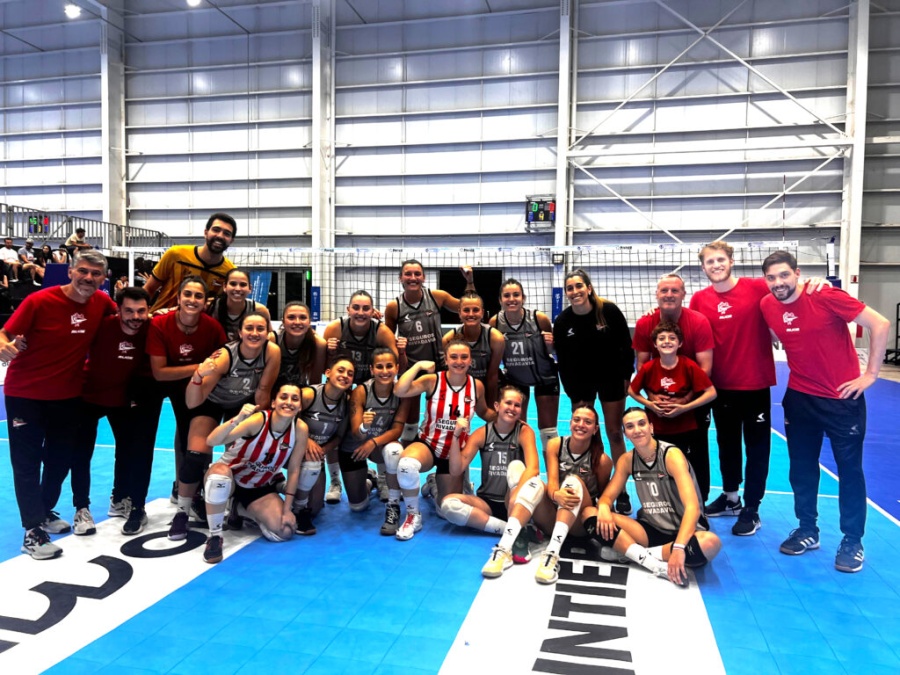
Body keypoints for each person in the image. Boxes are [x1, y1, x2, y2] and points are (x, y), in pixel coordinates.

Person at [760, 250, 889, 573]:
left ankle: (852, 540)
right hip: (800, 398)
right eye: (772, 278)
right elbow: (777, 334)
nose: (778, 283)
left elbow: (880, 323)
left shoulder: (825, 295)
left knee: (850, 471)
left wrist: (871, 373)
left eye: (784, 275)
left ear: (797, 273)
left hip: (842, 399)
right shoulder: (767, 305)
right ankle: (807, 530)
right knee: (801, 469)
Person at [690, 241, 829, 536]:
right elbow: (692, 332)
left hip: (754, 383)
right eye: (709, 262)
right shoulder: (699, 300)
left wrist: (817, 283)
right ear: (703, 267)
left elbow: (791, 293)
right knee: (726, 445)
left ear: (731, 260)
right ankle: (731, 498)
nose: (715, 265)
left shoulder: (758, 287)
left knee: (757, 448)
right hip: (719, 387)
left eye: (720, 259)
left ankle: (752, 508)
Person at [0, 250, 116, 559]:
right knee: (26, 463)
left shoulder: (102, 304)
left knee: (59, 460)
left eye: (95, 274)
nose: (88, 278)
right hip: (25, 394)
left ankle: (43, 510)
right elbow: (5, 332)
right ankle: (32, 531)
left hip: (66, 396)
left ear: (103, 279)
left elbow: (128, 321)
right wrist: (3, 346)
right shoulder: (39, 301)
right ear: (70, 272)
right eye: (83, 271)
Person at [170, 312, 281, 541]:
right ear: (240, 333)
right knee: (195, 455)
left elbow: (263, 393)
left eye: (260, 329)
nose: (254, 333)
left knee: (240, 457)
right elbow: (193, 401)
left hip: (242, 406)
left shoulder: (272, 352)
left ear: (268, 332)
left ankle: (235, 503)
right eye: (249, 328)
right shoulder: (224, 357)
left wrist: (256, 431)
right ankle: (182, 512)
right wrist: (198, 375)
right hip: (211, 403)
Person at [597, 407, 722, 587]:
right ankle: (649, 555)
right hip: (651, 529)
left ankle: (634, 554)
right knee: (590, 514)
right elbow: (607, 497)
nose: (637, 430)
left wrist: (679, 547)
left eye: (642, 423)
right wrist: (603, 507)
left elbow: (692, 507)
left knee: (711, 543)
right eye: (630, 426)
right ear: (625, 434)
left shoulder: (671, 455)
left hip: (684, 531)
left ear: (651, 427)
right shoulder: (626, 460)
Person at [390, 339, 495, 541]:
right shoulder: (432, 381)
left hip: (454, 453)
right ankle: (413, 516)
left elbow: (483, 411)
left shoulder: (476, 386)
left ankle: (433, 484)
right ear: (445, 359)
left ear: (470, 360)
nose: (459, 361)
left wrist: (507, 418)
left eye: (464, 357)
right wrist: (418, 366)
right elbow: (399, 390)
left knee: (445, 511)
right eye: (453, 357)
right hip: (429, 445)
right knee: (406, 465)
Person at [73, 286, 155, 536]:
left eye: (141, 311)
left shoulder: (151, 329)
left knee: (129, 451)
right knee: (80, 454)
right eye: (129, 311)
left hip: (122, 399)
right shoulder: (102, 325)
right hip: (89, 396)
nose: (135, 317)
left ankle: (120, 499)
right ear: (118, 310)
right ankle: (81, 509)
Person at [199, 380, 310, 563]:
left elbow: (294, 469)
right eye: (283, 397)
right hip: (231, 479)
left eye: (295, 399)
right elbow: (211, 441)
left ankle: (239, 509)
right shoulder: (258, 421)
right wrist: (237, 419)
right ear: (273, 402)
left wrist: (287, 510)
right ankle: (215, 536)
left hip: (258, 487)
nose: (289, 402)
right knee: (219, 475)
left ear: (300, 407)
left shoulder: (300, 429)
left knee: (285, 531)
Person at [552, 269, 634, 515]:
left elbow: (626, 348)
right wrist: (572, 393)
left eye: (579, 286)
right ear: (566, 293)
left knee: (614, 433)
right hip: (580, 382)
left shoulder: (608, 311)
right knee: (582, 433)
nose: (575, 291)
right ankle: (583, 482)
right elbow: (562, 360)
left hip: (610, 379)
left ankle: (621, 491)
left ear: (588, 288)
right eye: (570, 288)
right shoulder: (564, 321)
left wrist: (625, 379)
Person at [147, 277, 227, 511]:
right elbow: (160, 373)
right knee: (181, 436)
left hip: (201, 388)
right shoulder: (160, 325)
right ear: (179, 299)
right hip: (170, 385)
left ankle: (199, 488)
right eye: (188, 295)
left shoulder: (212, 327)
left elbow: (219, 364)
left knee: (201, 439)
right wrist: (199, 366)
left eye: (198, 296)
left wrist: (201, 374)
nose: (192, 300)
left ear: (205, 302)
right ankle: (184, 489)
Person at [633, 273, 714, 503]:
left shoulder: (698, 322)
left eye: (674, 291)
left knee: (696, 454)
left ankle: (699, 504)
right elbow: (641, 366)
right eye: (664, 291)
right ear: (656, 295)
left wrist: (685, 400)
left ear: (683, 294)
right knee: (656, 452)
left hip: (692, 400)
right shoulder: (644, 323)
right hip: (658, 402)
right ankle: (659, 504)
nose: (669, 295)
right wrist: (652, 397)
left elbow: (705, 369)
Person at [510, 404, 614, 584]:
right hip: (553, 515)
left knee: (573, 482)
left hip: (579, 525)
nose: (581, 424)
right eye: (577, 420)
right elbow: (552, 483)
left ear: (596, 429)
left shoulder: (603, 461)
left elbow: (604, 499)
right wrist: (556, 495)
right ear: (570, 422)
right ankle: (508, 542)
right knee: (519, 471)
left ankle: (551, 555)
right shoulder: (556, 445)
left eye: (587, 422)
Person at [442, 386, 540, 575]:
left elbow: (534, 468)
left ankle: (516, 522)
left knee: (516, 468)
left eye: (517, 405)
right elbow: (456, 469)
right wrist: (455, 436)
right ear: (497, 405)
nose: (512, 408)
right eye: (508, 403)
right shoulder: (482, 433)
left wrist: (516, 495)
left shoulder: (524, 431)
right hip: (487, 502)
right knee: (448, 505)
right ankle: (510, 529)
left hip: (513, 500)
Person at [384, 259, 475, 444]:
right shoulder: (394, 307)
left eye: (417, 274)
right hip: (412, 369)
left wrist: (470, 281)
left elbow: (467, 307)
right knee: (410, 421)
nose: (413, 278)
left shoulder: (437, 296)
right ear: (400, 277)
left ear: (424, 277)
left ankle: (445, 461)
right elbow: (387, 339)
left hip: (440, 366)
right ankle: (409, 458)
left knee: (446, 417)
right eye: (408, 274)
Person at [323, 290, 398, 503]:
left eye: (366, 308)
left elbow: (393, 363)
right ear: (348, 309)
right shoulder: (335, 329)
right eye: (356, 307)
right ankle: (335, 481)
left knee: (379, 430)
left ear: (372, 311)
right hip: (345, 389)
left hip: (373, 389)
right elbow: (324, 367)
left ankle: (382, 478)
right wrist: (328, 351)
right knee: (334, 433)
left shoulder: (381, 332)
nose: (361, 312)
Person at [628, 322, 717, 484]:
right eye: (661, 338)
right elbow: (631, 391)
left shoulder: (689, 366)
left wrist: (684, 408)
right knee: (659, 468)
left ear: (680, 343)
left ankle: (692, 505)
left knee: (684, 469)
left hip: (685, 428)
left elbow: (711, 393)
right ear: (655, 344)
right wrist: (650, 405)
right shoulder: (649, 368)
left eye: (672, 338)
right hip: (658, 428)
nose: (667, 341)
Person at [341, 347, 411, 526]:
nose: (385, 371)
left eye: (389, 366)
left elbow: (397, 430)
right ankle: (369, 481)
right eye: (379, 367)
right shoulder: (361, 391)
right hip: (355, 448)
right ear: (372, 370)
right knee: (358, 506)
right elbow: (356, 433)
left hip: (378, 446)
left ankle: (393, 504)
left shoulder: (401, 393)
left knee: (395, 449)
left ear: (396, 367)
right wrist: (365, 426)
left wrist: (373, 441)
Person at [489, 278, 560, 454]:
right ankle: (520, 470)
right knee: (516, 427)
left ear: (523, 297)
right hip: (515, 380)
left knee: (548, 431)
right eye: (506, 295)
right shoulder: (495, 323)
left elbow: (555, 351)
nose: (511, 299)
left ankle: (555, 473)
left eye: (516, 294)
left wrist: (552, 346)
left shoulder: (538, 319)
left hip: (545, 377)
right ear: (500, 300)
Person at [288, 358, 355, 535]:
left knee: (316, 507)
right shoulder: (309, 395)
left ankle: (287, 491)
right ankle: (284, 493)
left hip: (316, 456)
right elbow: (287, 417)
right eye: (340, 370)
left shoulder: (346, 404)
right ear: (328, 373)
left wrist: (323, 450)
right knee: (310, 463)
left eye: (350, 373)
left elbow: (339, 436)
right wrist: (306, 440)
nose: (345, 376)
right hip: (290, 449)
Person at [143, 212, 236, 313]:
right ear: (206, 232)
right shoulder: (175, 254)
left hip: (197, 327)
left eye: (226, 233)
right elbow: (149, 289)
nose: (220, 236)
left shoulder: (230, 272)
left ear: (231, 240)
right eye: (216, 230)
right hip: (160, 322)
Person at [442, 291, 505, 406]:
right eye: (466, 310)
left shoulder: (495, 338)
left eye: (475, 310)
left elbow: (492, 375)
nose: (471, 314)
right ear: (459, 313)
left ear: (482, 313)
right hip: (461, 384)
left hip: (487, 382)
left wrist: (490, 406)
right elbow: (449, 374)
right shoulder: (448, 339)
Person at [271, 301, 326, 387]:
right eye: (291, 317)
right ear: (283, 322)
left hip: (300, 393)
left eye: (303, 318)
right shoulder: (272, 340)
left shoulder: (318, 344)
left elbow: (315, 384)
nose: (297, 322)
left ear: (309, 322)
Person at [207, 268, 271, 341]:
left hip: (247, 351)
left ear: (250, 288)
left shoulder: (259, 310)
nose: (238, 289)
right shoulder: (210, 306)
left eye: (243, 285)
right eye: (233, 284)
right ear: (224, 287)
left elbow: (270, 336)